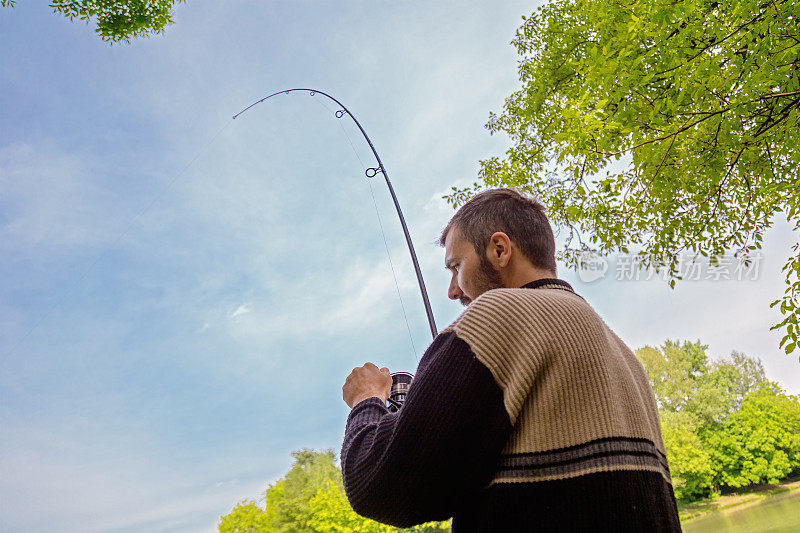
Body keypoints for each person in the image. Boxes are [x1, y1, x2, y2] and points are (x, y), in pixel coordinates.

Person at [340, 188, 681, 532]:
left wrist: (367, 400)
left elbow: (383, 487)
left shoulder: (501, 312)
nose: (453, 291)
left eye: (456, 267)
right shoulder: (623, 355)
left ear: (499, 250)